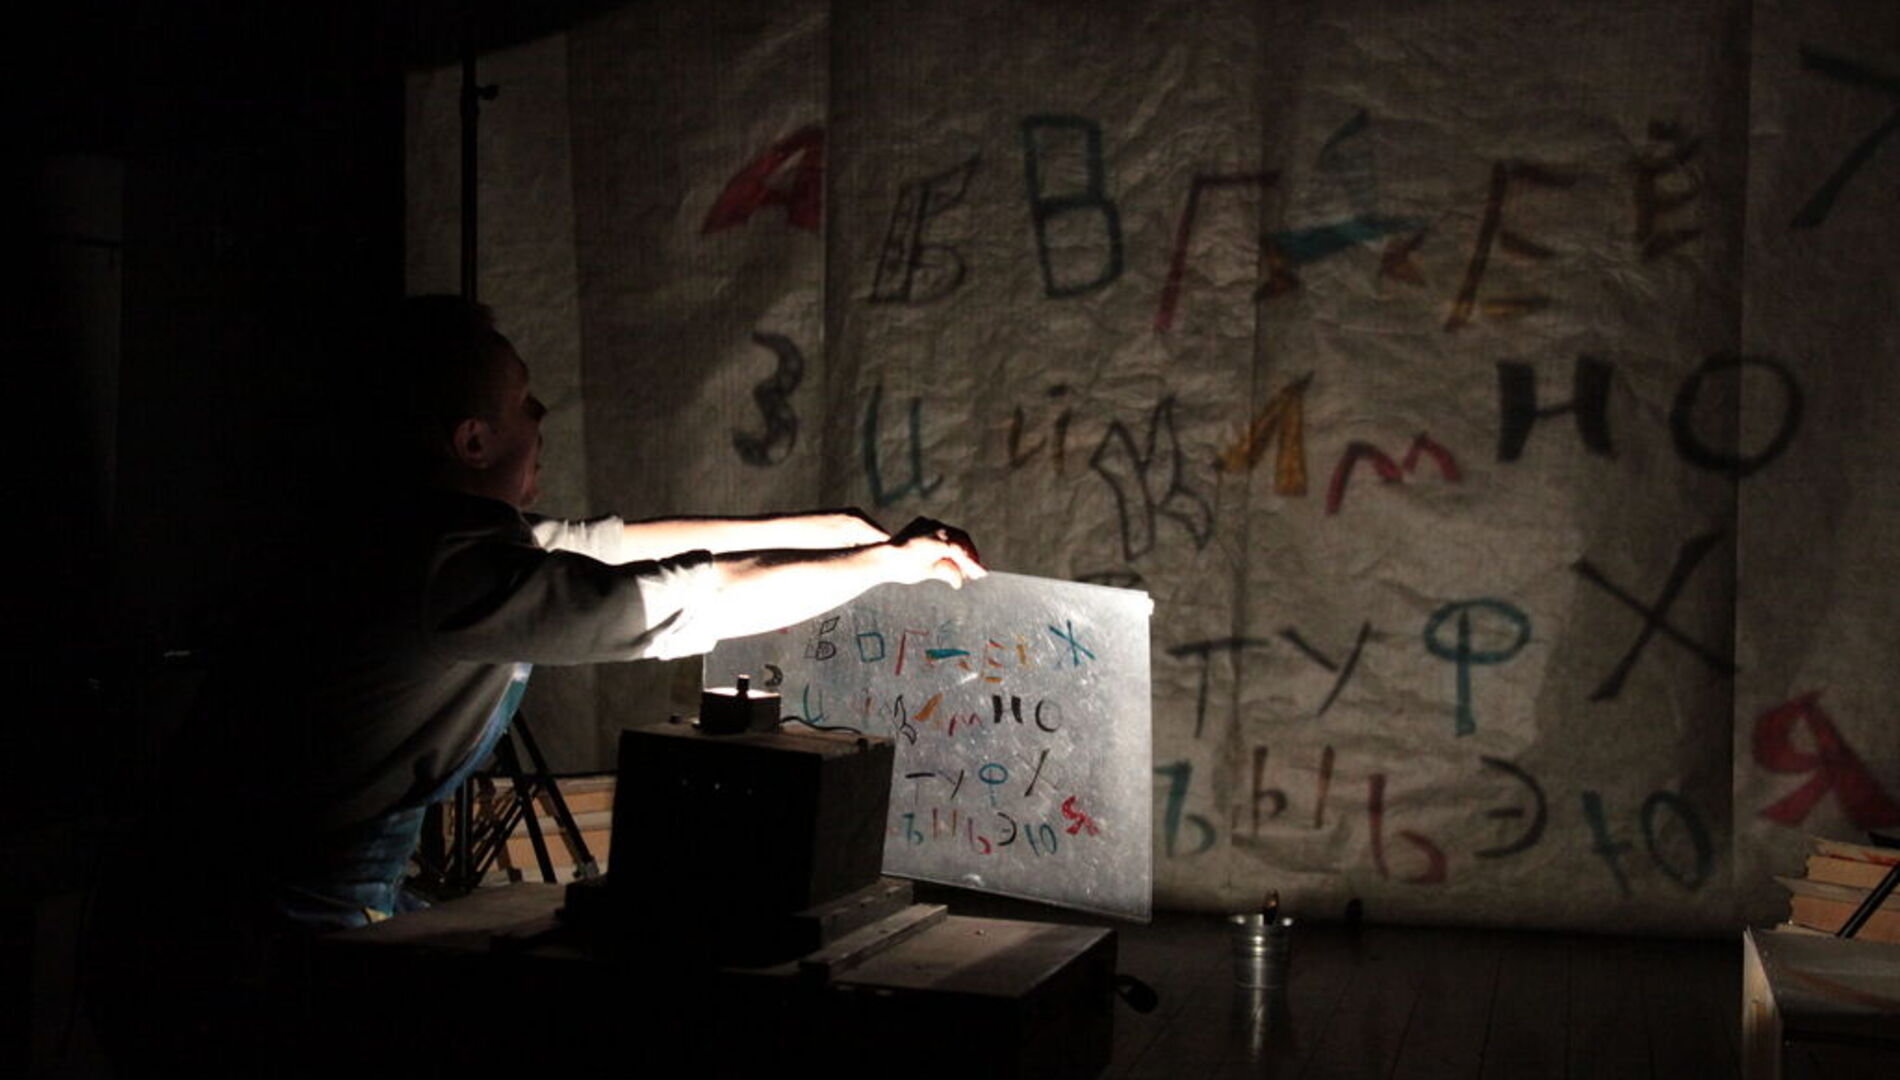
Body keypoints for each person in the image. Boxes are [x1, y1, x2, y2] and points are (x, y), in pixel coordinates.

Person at [86, 296, 983, 1073]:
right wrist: (882, 566)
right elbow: (675, 600)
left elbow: (609, 547)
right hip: (227, 948)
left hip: (285, 908)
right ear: (473, 440)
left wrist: (827, 532)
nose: (542, 412)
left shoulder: (430, 536)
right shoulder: (440, 571)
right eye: (523, 400)